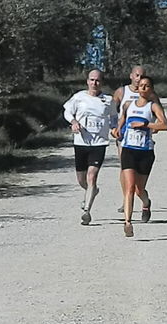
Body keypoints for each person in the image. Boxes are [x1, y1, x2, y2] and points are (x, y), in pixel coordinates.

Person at [113, 76, 167, 237]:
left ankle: (146, 203)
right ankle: (128, 222)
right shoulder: (128, 105)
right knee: (129, 187)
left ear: (151, 89)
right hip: (129, 149)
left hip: (145, 152)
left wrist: (146, 125)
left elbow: (164, 125)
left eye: (147, 86)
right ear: (137, 89)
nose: (143, 88)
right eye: (141, 86)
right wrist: (117, 130)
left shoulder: (153, 107)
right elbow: (121, 122)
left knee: (139, 189)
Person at [63, 68, 118, 225]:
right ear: (87, 81)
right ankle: (92, 191)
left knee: (92, 176)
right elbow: (67, 112)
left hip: (99, 143)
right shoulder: (79, 97)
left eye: (98, 80)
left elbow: (114, 117)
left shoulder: (108, 100)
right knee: (82, 180)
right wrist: (73, 122)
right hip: (81, 142)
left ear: (102, 82)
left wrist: (114, 129)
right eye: (92, 80)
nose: (95, 83)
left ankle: (87, 210)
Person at [112, 66, 161, 213]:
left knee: (139, 182)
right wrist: (115, 128)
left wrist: (153, 127)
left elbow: (159, 116)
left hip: (142, 140)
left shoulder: (151, 95)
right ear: (131, 76)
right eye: (137, 75)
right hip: (125, 137)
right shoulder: (122, 92)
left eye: (142, 76)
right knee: (125, 168)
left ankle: (139, 197)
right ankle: (126, 198)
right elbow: (112, 111)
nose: (139, 78)